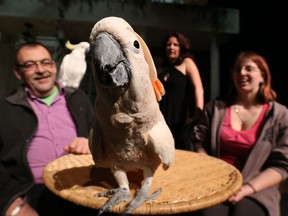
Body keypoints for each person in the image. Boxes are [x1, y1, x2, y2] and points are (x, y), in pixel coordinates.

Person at [0, 41, 96, 216]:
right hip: (30, 193)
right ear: (17, 73)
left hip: (80, 188)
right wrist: (12, 206)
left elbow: (104, 139)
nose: (41, 70)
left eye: (46, 62)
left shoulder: (79, 99)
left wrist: (90, 142)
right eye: (30, 65)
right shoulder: (5, 108)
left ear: (54, 65)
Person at [191, 51, 288, 216]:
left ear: (263, 76)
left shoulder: (279, 115)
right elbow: (196, 140)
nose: (242, 73)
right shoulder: (216, 108)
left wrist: (247, 189)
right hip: (215, 184)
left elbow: (282, 165)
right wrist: (210, 170)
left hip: (258, 188)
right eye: (237, 70)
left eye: (248, 68)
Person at [158, 32, 204, 150]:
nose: (171, 47)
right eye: (169, 45)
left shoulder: (187, 63)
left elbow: (198, 88)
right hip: (163, 121)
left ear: (181, 48)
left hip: (182, 121)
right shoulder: (162, 71)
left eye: (175, 44)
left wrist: (198, 112)